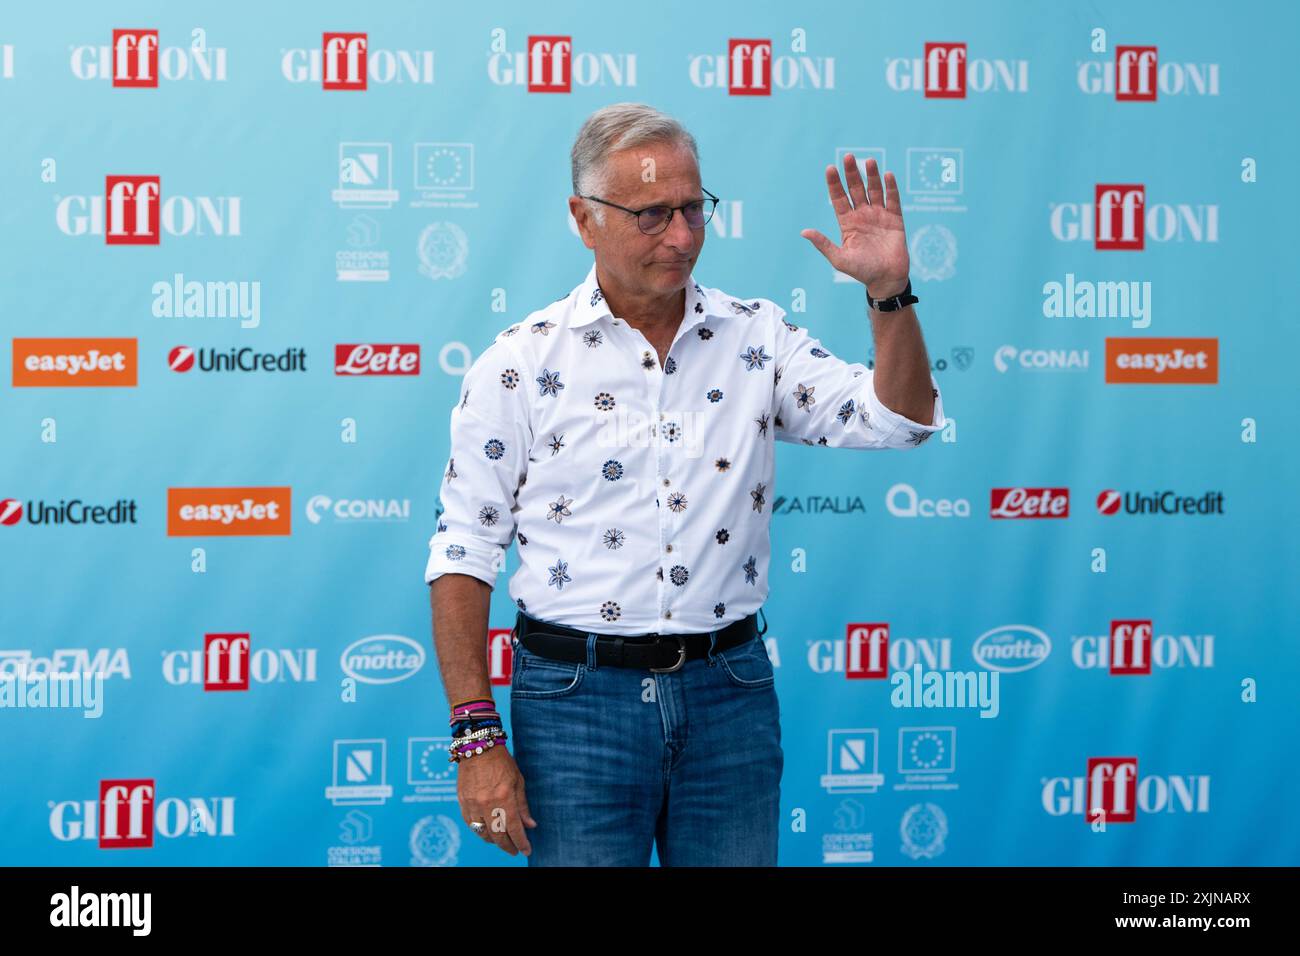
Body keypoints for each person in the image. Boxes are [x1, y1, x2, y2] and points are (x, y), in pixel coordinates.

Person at [426, 102, 947, 866]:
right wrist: (476, 735)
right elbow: (464, 553)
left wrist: (889, 296)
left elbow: (898, 419)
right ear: (583, 217)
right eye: (651, 215)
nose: (681, 237)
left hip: (727, 697)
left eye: (693, 210)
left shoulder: (757, 338)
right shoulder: (519, 365)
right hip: (574, 707)